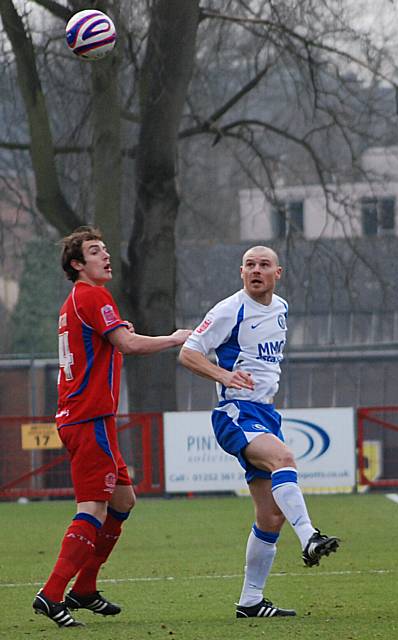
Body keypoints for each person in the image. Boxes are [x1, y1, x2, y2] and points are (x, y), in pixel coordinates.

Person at [32, 226, 191, 628]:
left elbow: (110, 347)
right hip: (88, 420)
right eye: (95, 251)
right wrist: (174, 338)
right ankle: (51, 594)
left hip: (90, 419)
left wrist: (125, 334)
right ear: (77, 264)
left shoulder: (77, 302)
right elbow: (129, 345)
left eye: (105, 249)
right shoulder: (92, 295)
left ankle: (84, 588)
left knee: (123, 501)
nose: (106, 256)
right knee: (93, 507)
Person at [179, 245, 340, 619]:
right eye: (249, 265)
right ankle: (310, 538)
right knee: (284, 458)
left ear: (277, 273)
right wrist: (223, 375)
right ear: (241, 272)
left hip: (265, 414)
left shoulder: (280, 308)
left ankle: (250, 601)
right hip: (235, 412)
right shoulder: (229, 310)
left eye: (263, 265)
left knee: (270, 517)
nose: (256, 270)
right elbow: (189, 352)